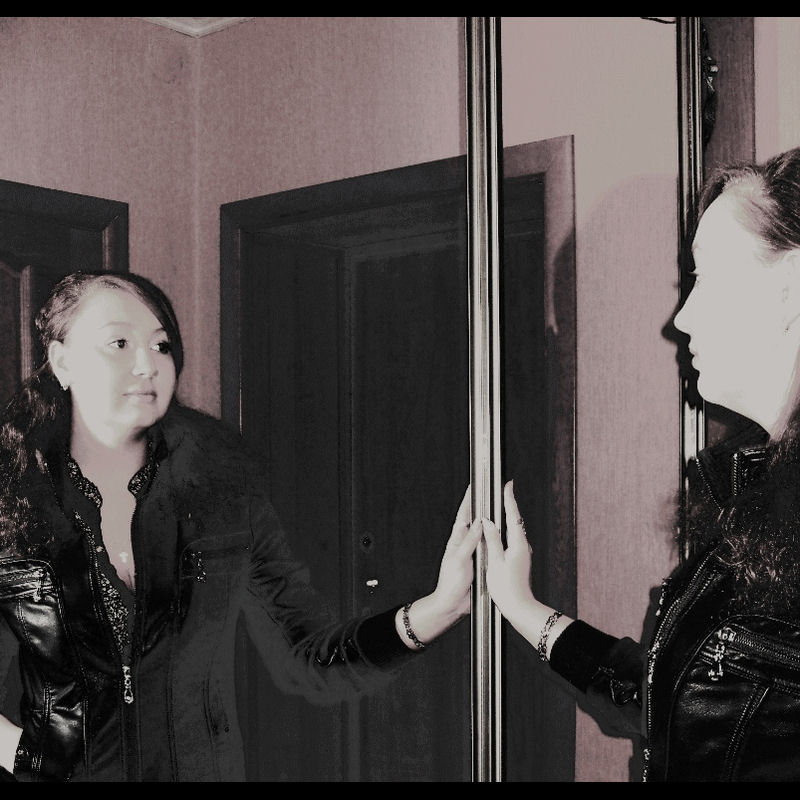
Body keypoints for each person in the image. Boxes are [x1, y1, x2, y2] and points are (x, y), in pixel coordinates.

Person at [0, 270, 481, 782]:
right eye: (119, 343)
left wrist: (439, 609)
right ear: (62, 362)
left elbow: (309, 657)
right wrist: (35, 764)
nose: (147, 364)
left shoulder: (222, 492)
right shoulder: (13, 502)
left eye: (161, 346)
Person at [482, 146, 800, 782]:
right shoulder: (758, 495)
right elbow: (673, 695)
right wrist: (518, 602)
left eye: (707, 277)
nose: (681, 318)